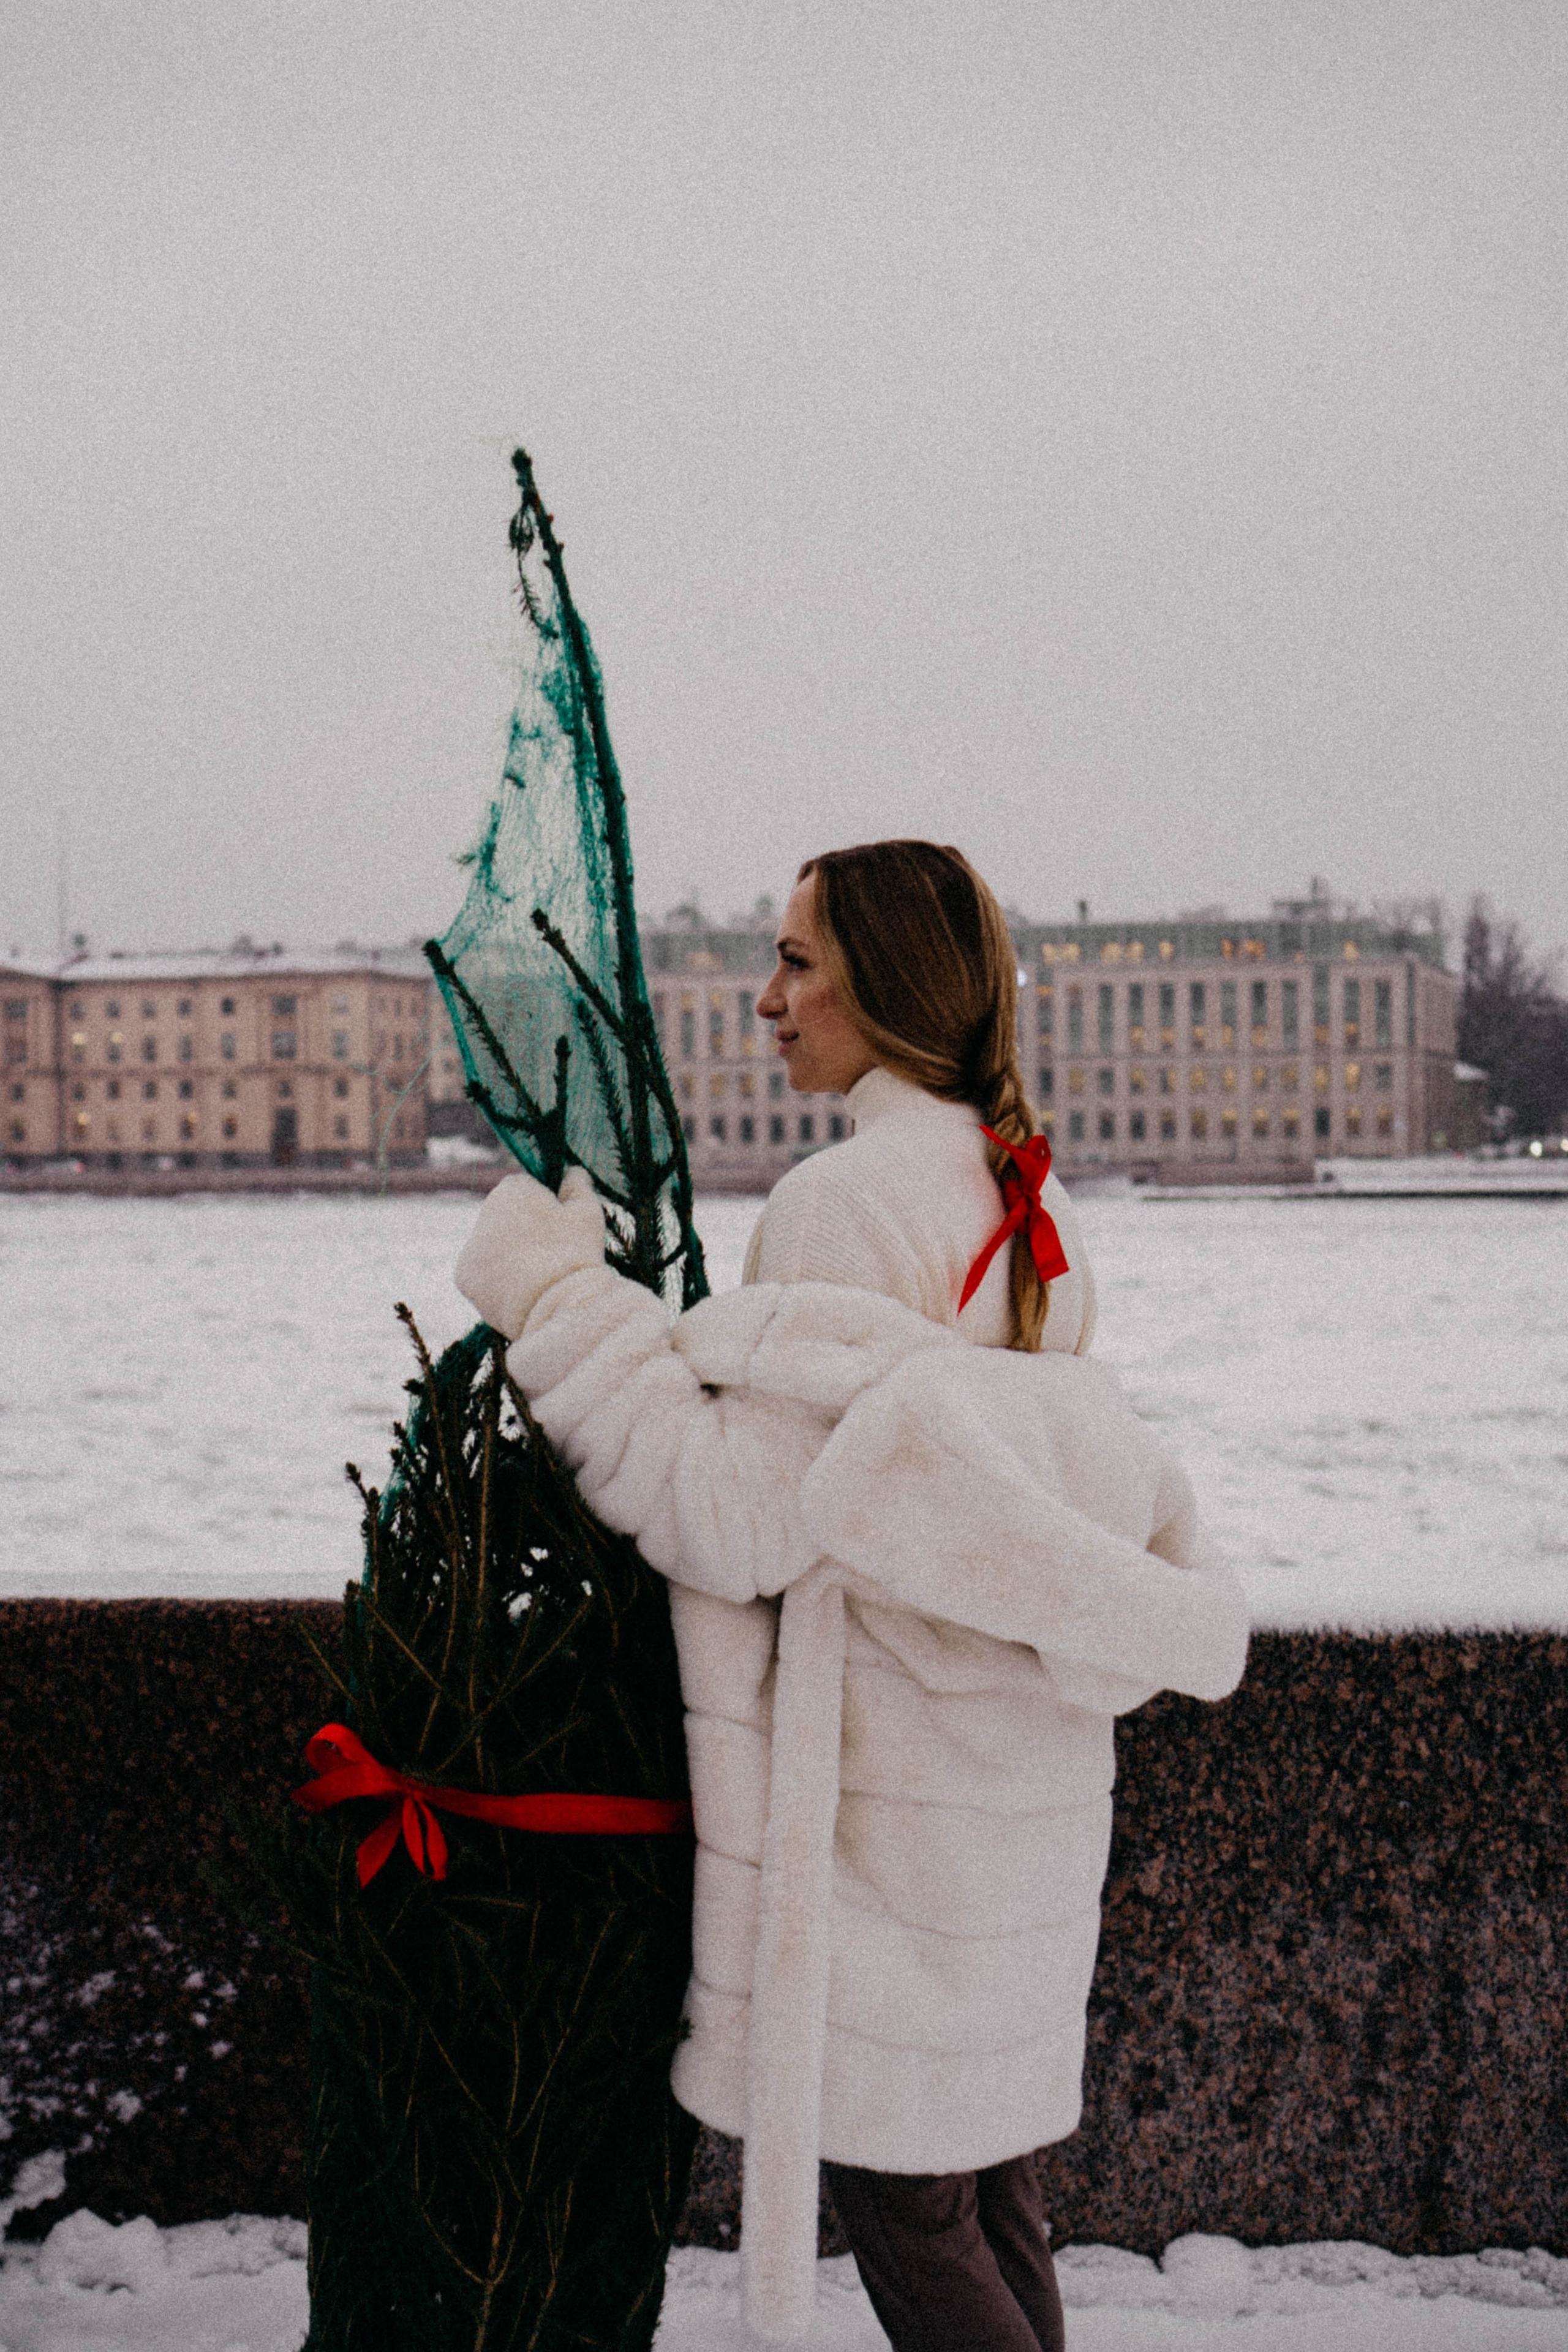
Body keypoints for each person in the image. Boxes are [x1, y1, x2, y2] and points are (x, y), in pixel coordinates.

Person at [454, 840, 1249, 2350]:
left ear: (881, 982)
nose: (764, 999)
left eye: (796, 961)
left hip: (879, 1807)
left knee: (909, 2212)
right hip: (1011, 1804)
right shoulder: (1029, 1205)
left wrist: (560, 1303)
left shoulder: (840, 1203)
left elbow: (732, 1517)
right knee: (985, 2201)